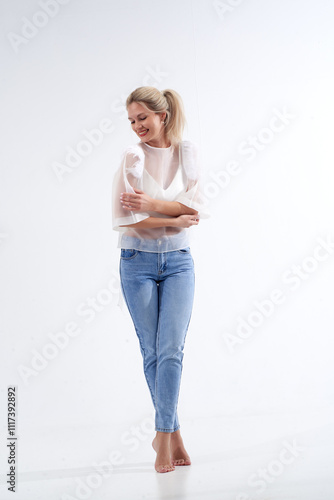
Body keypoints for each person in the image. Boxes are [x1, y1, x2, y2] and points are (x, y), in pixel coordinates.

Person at [112, 86, 210, 473]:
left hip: (179, 262)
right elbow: (125, 220)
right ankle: (172, 434)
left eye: (143, 118)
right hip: (136, 260)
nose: (137, 126)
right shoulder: (132, 156)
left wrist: (153, 205)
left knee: (171, 350)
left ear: (163, 116)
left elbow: (197, 207)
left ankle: (162, 436)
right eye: (132, 120)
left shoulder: (188, 153)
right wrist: (174, 218)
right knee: (152, 352)